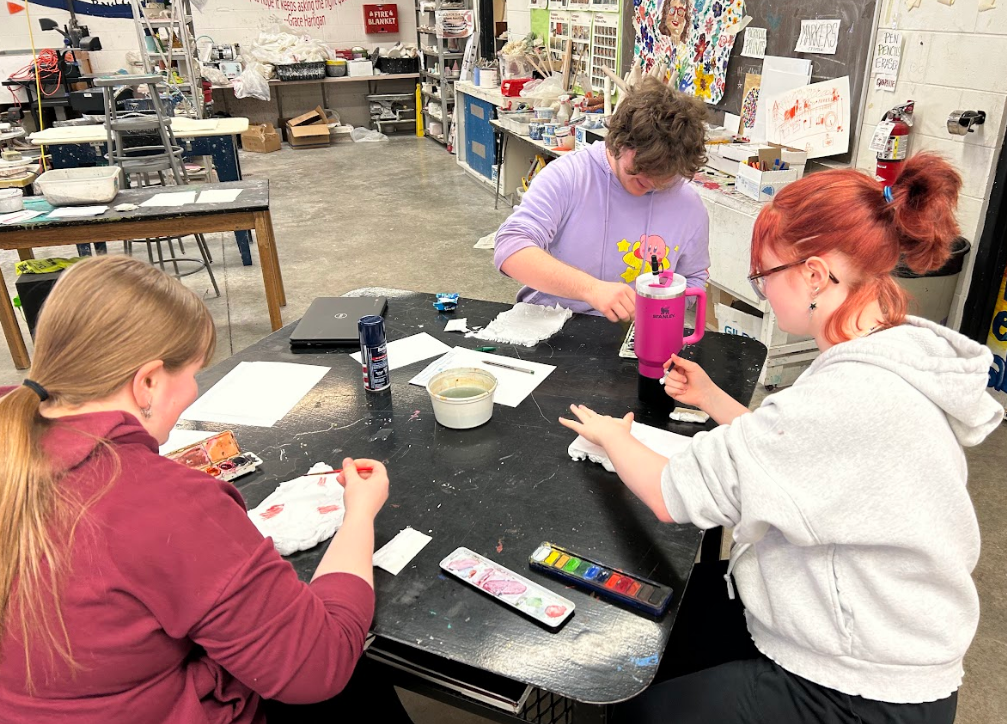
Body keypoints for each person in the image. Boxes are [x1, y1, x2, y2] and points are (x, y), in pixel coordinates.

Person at [558, 153, 1003, 723]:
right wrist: (716, 401)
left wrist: (613, 437)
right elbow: (808, 456)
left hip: (858, 688)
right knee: (662, 626)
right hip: (880, 628)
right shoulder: (892, 350)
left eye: (765, 276)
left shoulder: (844, 396)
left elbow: (673, 494)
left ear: (815, 275)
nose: (763, 291)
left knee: (630, 707)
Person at [0, 256, 410, 723]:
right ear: (148, 382)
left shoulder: (14, 435)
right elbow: (319, 665)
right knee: (355, 668)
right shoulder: (165, 503)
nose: (193, 391)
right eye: (192, 373)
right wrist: (358, 513)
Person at [493, 77, 710, 322]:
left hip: (635, 332)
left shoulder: (688, 205)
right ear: (619, 141)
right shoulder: (570, 177)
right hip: (553, 324)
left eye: (665, 176)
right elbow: (510, 248)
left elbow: (694, 279)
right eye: (642, 167)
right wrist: (591, 289)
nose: (651, 181)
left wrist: (658, 315)